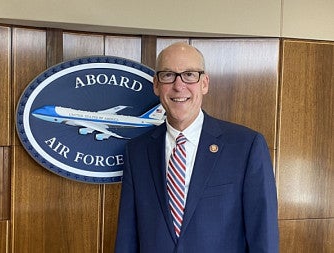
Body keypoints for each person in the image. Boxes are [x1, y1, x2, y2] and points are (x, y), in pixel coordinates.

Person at [115, 42, 279, 252]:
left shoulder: (246, 147)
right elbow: (127, 239)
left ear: (204, 83)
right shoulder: (136, 152)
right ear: (156, 85)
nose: (179, 85)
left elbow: (263, 236)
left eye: (189, 75)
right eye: (168, 75)